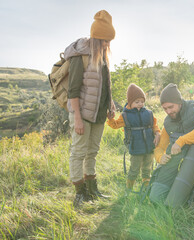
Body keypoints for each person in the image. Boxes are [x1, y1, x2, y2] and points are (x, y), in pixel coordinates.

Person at [65, 10, 116, 207]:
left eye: (109, 41)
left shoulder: (103, 56)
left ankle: (92, 189)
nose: (107, 45)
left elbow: (104, 85)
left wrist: (110, 104)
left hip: (99, 114)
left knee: (92, 151)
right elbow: (73, 90)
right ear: (96, 38)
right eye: (104, 41)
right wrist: (77, 118)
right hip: (83, 114)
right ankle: (80, 193)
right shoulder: (81, 56)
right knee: (79, 152)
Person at [107, 83, 161, 194]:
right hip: (136, 147)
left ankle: (146, 188)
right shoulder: (125, 115)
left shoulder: (148, 113)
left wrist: (157, 133)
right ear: (130, 102)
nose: (140, 104)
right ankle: (129, 189)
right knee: (134, 169)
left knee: (147, 169)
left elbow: (154, 125)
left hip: (149, 146)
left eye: (142, 101)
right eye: (137, 102)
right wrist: (111, 119)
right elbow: (115, 125)